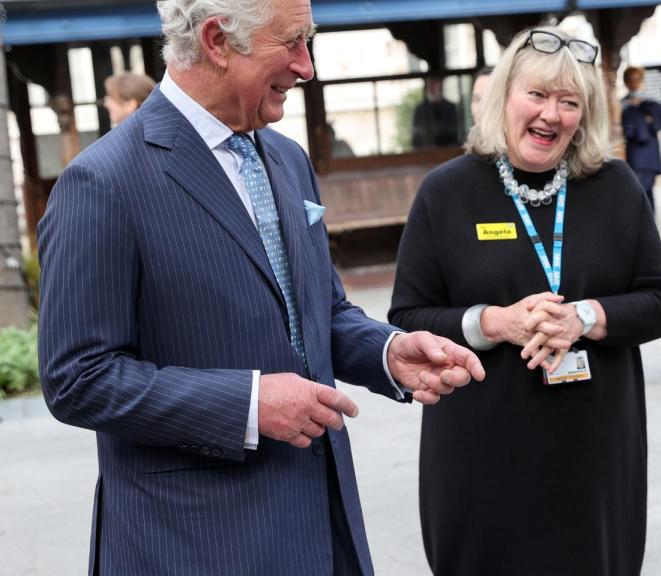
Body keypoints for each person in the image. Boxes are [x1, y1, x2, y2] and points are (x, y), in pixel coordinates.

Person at [36, 0, 485, 574]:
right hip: (192, 547)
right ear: (218, 41)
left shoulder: (286, 157)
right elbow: (78, 378)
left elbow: (318, 313)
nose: (307, 66)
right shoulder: (102, 182)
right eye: (292, 42)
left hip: (323, 529)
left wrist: (389, 352)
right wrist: (248, 405)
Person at [388, 26, 661, 576]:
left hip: (593, 450)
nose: (552, 115)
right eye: (538, 95)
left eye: (570, 102)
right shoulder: (446, 192)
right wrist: (495, 323)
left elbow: (659, 300)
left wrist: (584, 318)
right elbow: (407, 317)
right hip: (481, 451)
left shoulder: (616, 187)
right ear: (505, 97)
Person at [621, 65, 661, 211]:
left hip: (649, 152)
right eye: (630, 80)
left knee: (646, 190)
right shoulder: (623, 104)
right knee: (640, 191)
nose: (634, 83)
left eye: (636, 79)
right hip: (633, 153)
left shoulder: (651, 102)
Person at [412, 77, 459, 148]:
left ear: (440, 86)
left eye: (434, 84)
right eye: (430, 85)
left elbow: (455, 131)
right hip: (425, 152)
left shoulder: (450, 107)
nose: (432, 88)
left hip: (448, 149)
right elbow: (416, 133)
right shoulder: (420, 109)